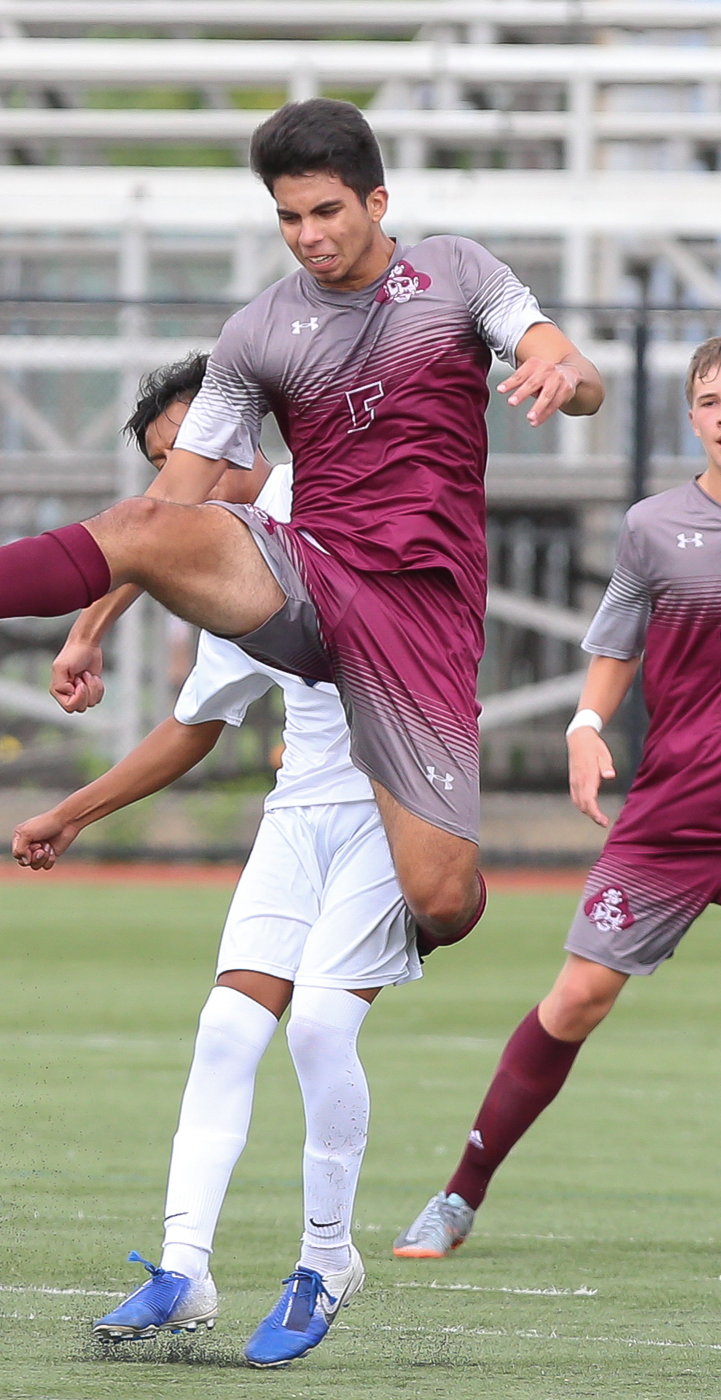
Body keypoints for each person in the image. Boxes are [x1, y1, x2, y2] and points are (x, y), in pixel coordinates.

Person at [0, 98, 603, 951]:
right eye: (288, 217)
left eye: (326, 212)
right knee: (141, 517)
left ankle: (432, 894)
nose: (308, 235)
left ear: (376, 204)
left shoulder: (455, 273)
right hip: (309, 571)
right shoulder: (260, 332)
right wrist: (89, 632)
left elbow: (565, 361)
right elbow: (172, 507)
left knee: (441, 899)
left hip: (421, 611)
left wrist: (563, 375)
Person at [10, 353, 419, 1368]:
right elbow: (196, 722)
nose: (177, 472)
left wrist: (92, 621)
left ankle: (326, 1258)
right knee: (228, 1028)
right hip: (299, 816)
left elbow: (153, 538)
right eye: (162, 460)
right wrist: (73, 810)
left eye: (186, 447)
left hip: (393, 800)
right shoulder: (236, 570)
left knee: (320, 1027)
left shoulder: (314, 491)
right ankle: (185, 1265)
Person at [391, 336, 721, 1261]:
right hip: (676, 812)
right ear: (692, 415)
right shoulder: (654, 526)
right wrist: (584, 726)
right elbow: (618, 643)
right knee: (574, 999)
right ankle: (458, 1197)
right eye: (711, 399)